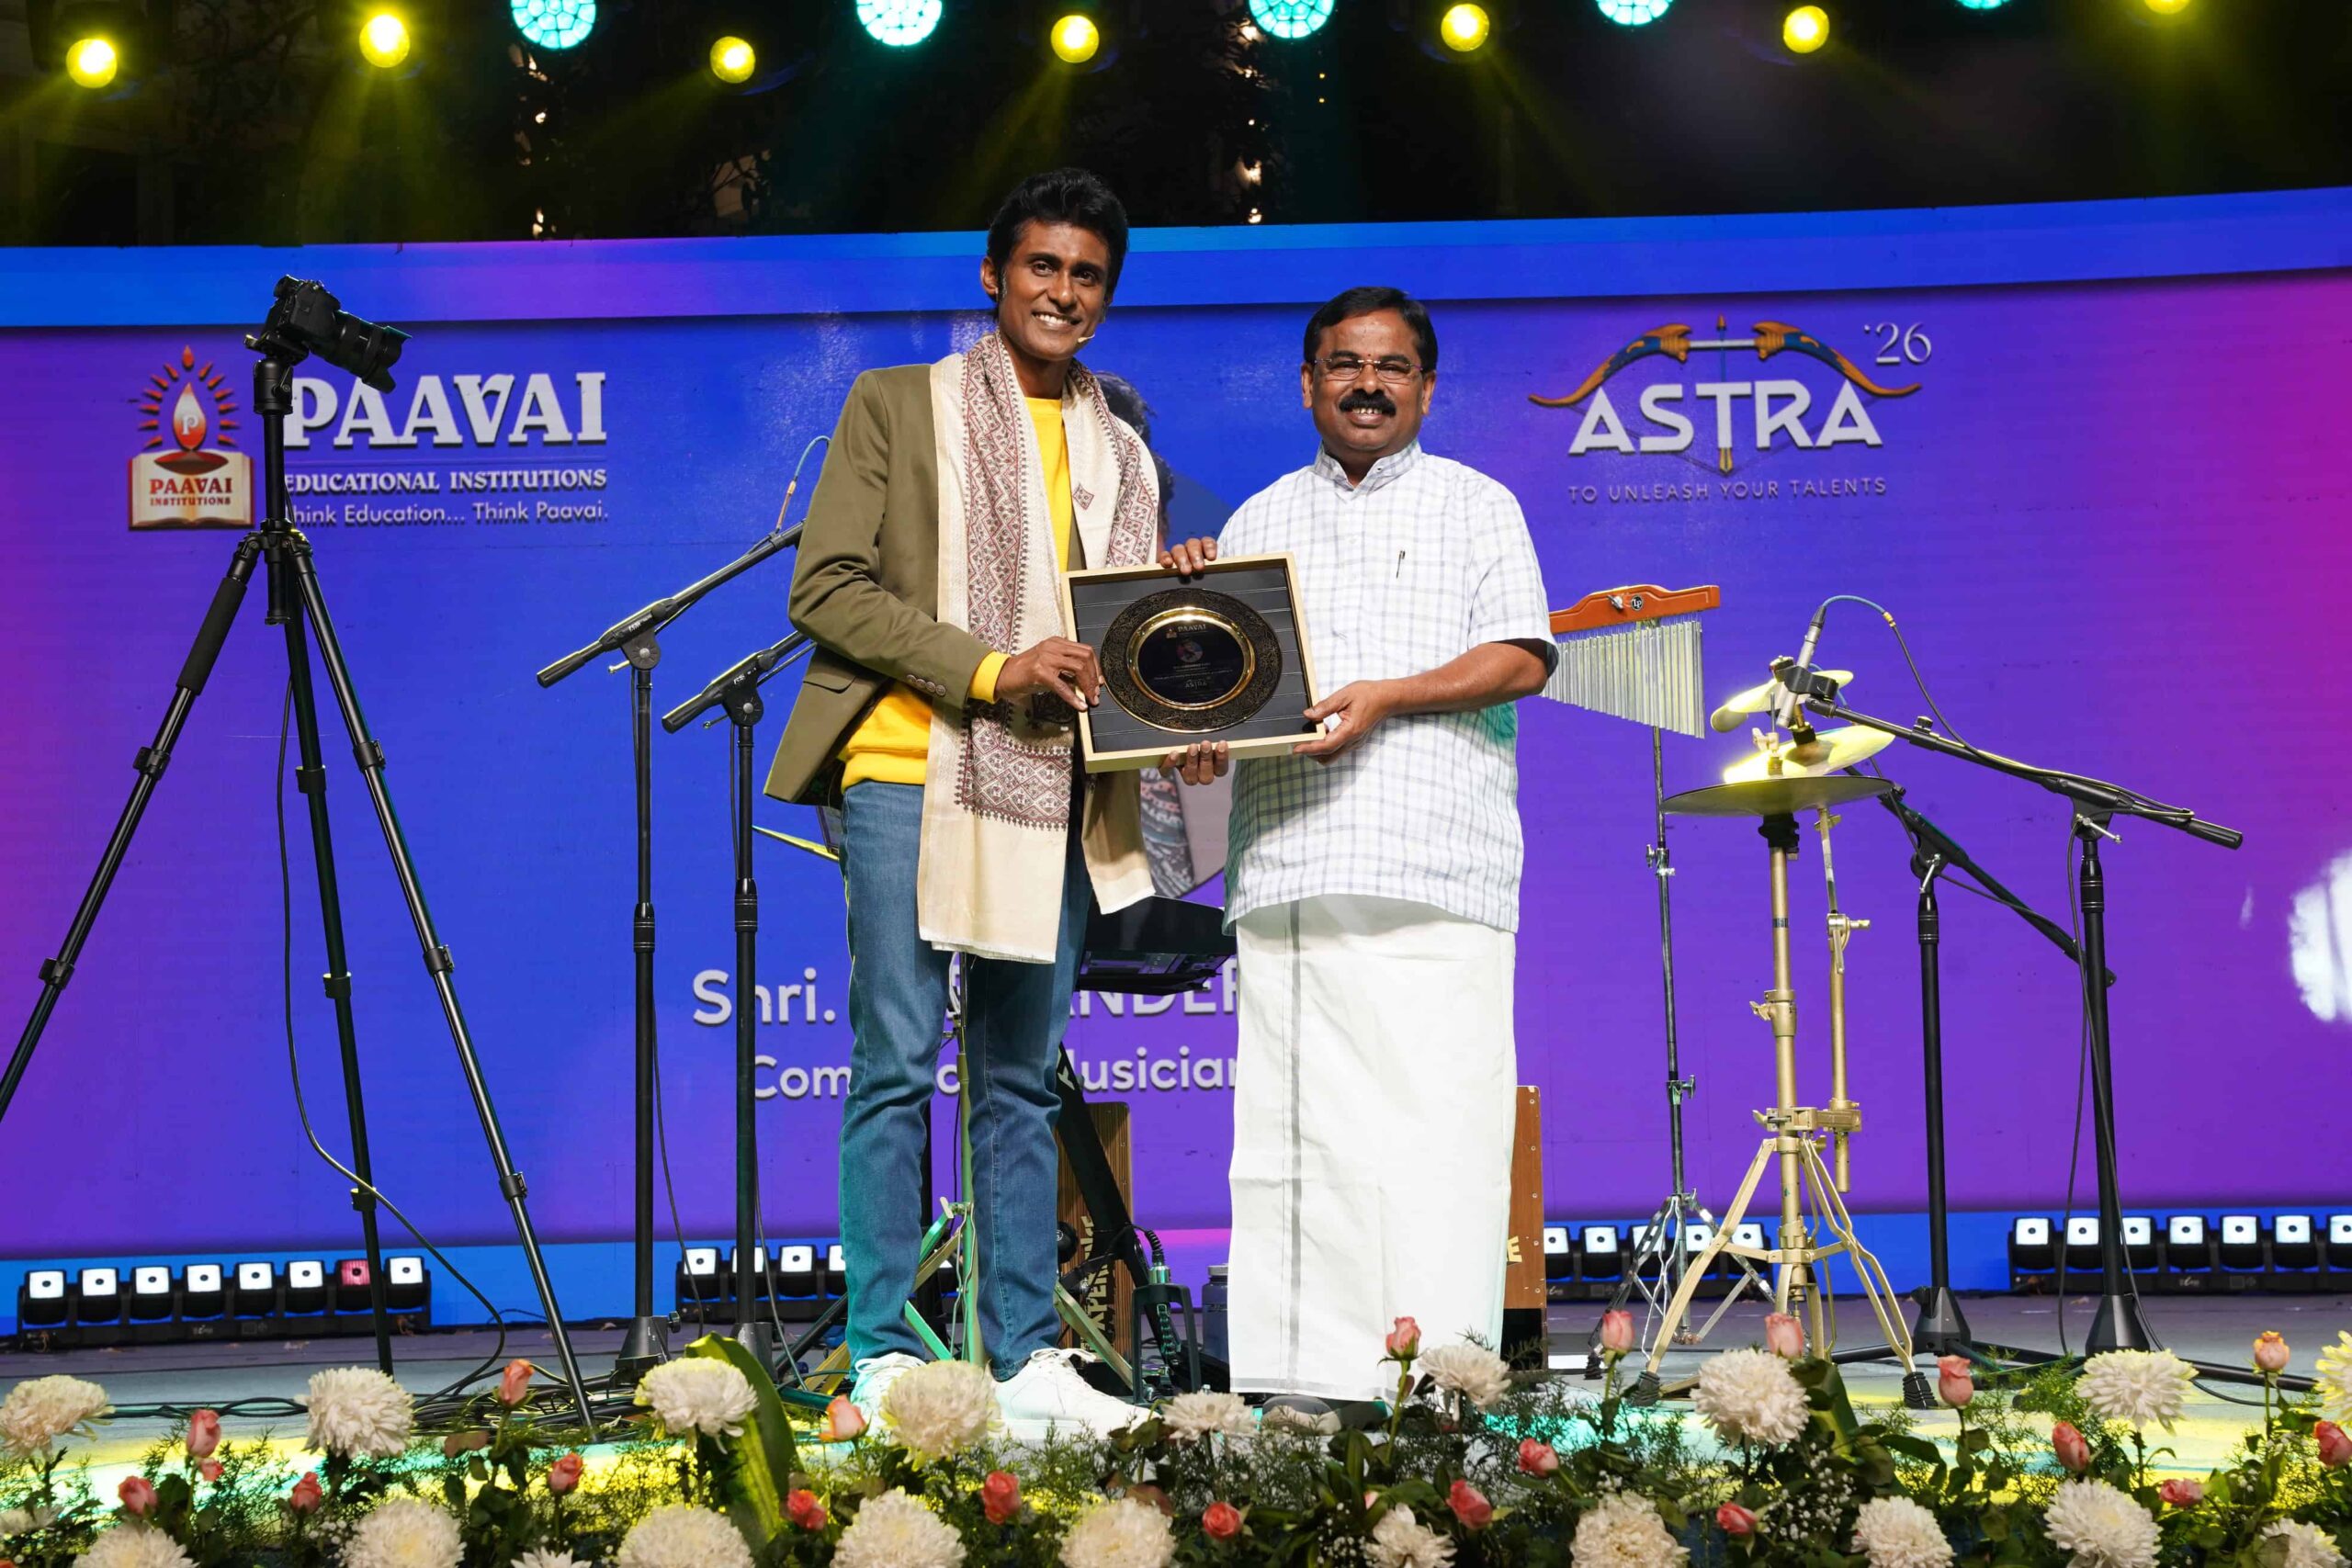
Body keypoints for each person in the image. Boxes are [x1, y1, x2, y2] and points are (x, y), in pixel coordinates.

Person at [764, 168, 1159, 1439]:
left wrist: (1178, 670)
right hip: (907, 766)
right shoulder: (898, 404)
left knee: (1019, 1076)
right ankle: (882, 1352)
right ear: (994, 276)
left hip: (1055, 787)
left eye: (1087, 274)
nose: (1063, 291)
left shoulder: (1123, 445)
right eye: (1042, 265)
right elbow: (826, 587)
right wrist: (992, 670)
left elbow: (1116, 633)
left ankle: (1026, 1354)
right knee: (894, 1061)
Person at [1159, 286, 1555, 1420]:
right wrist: (1189, 723)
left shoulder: (1478, 504)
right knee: (1299, 1145)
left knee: (1442, 1135)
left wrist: (1387, 696)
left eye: (1391, 366)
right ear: (1307, 384)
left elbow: (1523, 657)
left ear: (1425, 387)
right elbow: (1216, 697)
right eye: (1344, 364)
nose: (1367, 384)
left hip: (1438, 864)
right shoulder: (1255, 521)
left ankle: (1442, 1387)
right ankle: (1305, 1391)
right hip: (1290, 862)